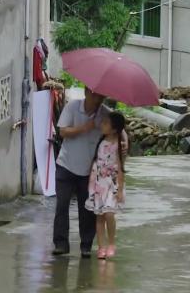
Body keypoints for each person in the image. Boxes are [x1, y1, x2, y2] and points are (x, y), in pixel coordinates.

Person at [52, 87, 125, 258]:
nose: (98, 98)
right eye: (95, 94)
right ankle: (61, 244)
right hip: (66, 165)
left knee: (87, 210)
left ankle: (86, 245)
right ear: (86, 92)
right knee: (61, 206)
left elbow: (120, 132)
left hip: (90, 172)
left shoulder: (106, 114)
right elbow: (62, 131)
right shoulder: (72, 107)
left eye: (102, 95)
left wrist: (123, 144)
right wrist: (85, 127)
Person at [85, 112, 126, 259]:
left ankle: (111, 243)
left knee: (109, 213)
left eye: (106, 123)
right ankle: (101, 247)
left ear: (114, 129)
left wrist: (120, 190)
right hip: (98, 182)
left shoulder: (120, 145)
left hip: (112, 183)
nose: (102, 125)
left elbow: (121, 168)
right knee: (99, 216)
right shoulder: (100, 141)